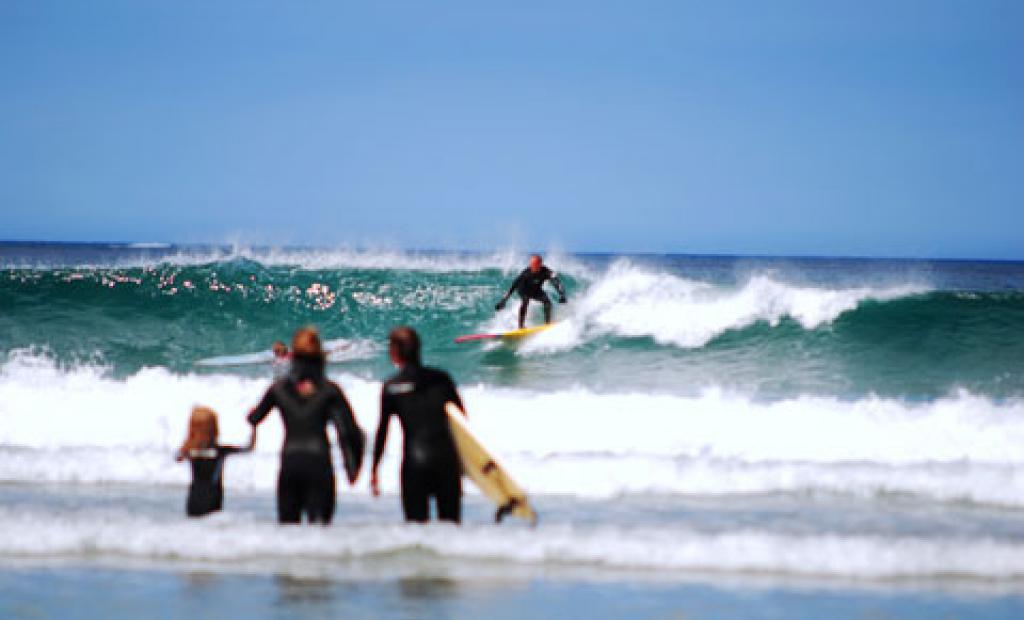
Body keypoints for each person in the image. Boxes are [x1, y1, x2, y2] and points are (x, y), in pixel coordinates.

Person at [248, 327, 365, 524]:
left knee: (288, 533)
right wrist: (352, 466)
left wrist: (246, 446)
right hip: (319, 464)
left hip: (290, 464)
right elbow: (348, 431)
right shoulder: (330, 390)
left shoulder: (278, 389)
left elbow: (253, 419)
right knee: (319, 531)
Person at [370, 326, 466, 523]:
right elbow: (462, 422)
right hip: (446, 462)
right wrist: (465, 464)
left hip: (415, 464)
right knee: (451, 528)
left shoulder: (392, 387)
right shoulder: (442, 380)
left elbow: (383, 431)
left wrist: (374, 469)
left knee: (416, 529)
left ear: (394, 352)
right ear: (419, 349)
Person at [176, 405, 255, 517]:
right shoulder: (220, 450)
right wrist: (254, 426)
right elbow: (249, 448)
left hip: (194, 499)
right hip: (212, 500)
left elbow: (178, 457)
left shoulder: (189, 451)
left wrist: (190, 441)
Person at [495, 254, 567, 328]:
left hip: (536, 290)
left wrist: (562, 294)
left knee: (547, 302)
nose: (532, 266)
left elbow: (556, 282)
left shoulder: (546, 271)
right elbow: (512, 287)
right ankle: (521, 326)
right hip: (523, 290)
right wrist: (503, 300)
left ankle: (547, 324)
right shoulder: (525, 274)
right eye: (531, 264)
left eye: (534, 264)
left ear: (540, 264)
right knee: (525, 301)